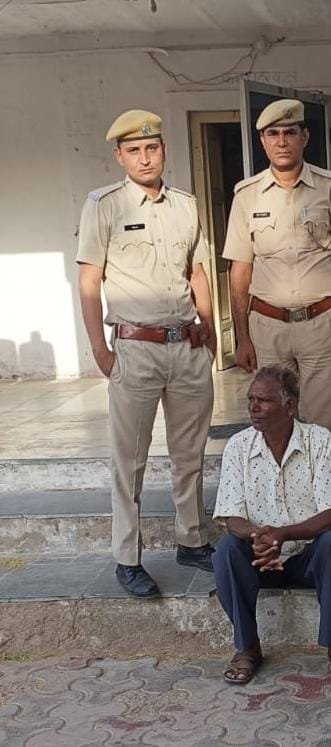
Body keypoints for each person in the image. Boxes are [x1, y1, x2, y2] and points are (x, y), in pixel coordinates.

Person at [76, 109, 216, 598]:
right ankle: (127, 557)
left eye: (152, 148)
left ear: (164, 151)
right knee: (129, 459)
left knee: (190, 453)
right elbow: (89, 280)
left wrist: (209, 329)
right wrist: (100, 349)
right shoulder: (104, 205)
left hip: (186, 346)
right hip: (135, 349)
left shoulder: (186, 205)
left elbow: (197, 271)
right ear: (119, 156)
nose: (144, 157)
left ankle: (192, 540)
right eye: (133, 150)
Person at [223, 99, 331, 444]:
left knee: (323, 428)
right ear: (262, 141)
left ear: (305, 137)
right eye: (273, 133)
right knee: (272, 424)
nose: (282, 141)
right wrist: (242, 336)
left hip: (320, 325)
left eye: (290, 132)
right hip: (267, 326)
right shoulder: (247, 195)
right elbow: (239, 270)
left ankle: (323, 483)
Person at [212, 366, 331, 685]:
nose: (253, 407)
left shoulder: (318, 440)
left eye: (263, 400)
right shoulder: (238, 446)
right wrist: (258, 536)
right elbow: (231, 516)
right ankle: (247, 647)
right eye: (251, 399)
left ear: (290, 406)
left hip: (307, 557)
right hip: (259, 558)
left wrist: (283, 535)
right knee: (226, 549)